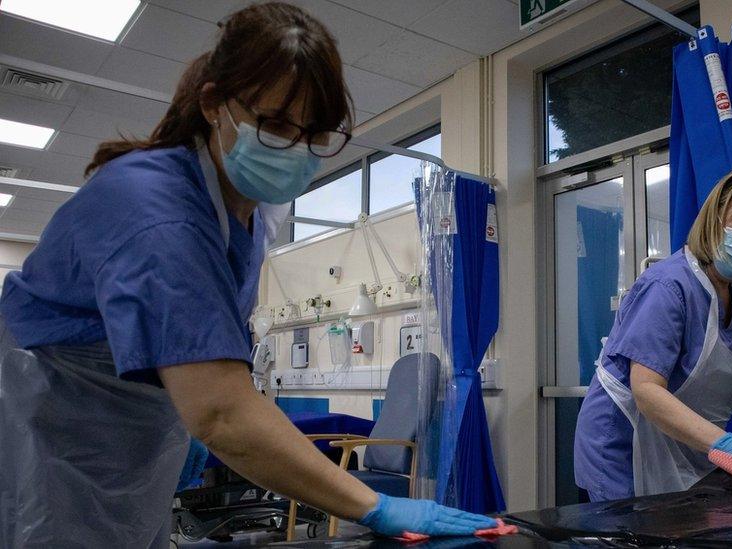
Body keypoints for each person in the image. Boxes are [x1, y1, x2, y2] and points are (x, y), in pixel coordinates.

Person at [0, 4, 494, 547]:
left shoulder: (250, 212)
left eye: (316, 133)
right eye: (276, 124)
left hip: (129, 436)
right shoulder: (153, 210)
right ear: (214, 105)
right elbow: (221, 412)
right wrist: (372, 505)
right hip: (48, 428)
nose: (297, 150)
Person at [574, 167, 732, 501]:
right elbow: (647, 390)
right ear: (714, 219)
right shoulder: (667, 286)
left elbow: (708, 372)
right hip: (625, 444)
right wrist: (726, 445)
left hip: (682, 442)